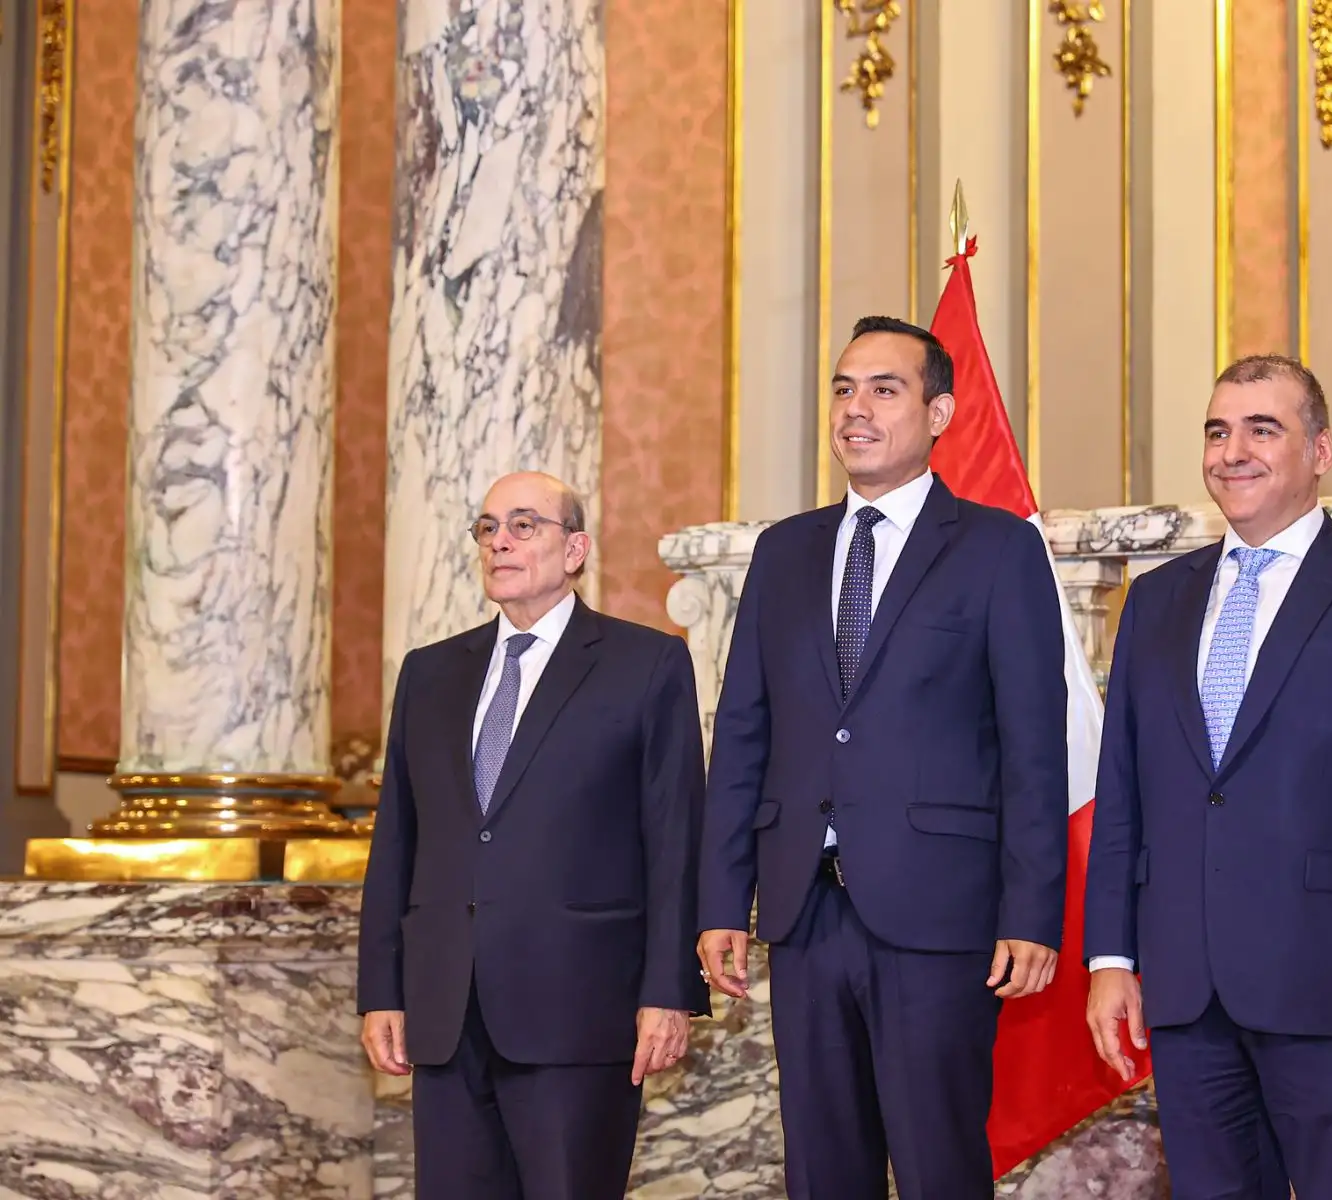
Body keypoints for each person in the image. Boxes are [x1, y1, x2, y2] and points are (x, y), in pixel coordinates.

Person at [1083, 355, 1332, 1199]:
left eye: (1263, 429)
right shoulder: (1155, 602)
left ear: (1321, 450)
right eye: (1218, 431)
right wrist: (1111, 957)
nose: (1234, 450)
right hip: (1190, 999)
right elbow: (1124, 797)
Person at [696, 316, 1070, 1198]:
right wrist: (720, 898)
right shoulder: (783, 552)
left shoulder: (997, 548)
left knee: (939, 1164)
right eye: (843, 387)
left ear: (940, 412)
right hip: (803, 911)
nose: (856, 409)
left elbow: (1032, 746)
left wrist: (1032, 912)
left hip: (941, 917)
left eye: (884, 389)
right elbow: (744, 732)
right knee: (823, 1169)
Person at [356, 470, 709, 1200]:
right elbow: (398, 842)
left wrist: (668, 992)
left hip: (580, 1010)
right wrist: (381, 990)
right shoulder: (429, 674)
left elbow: (674, 840)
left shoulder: (644, 665)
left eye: (523, 525)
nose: (500, 542)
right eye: (487, 528)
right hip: (447, 1009)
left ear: (575, 548)